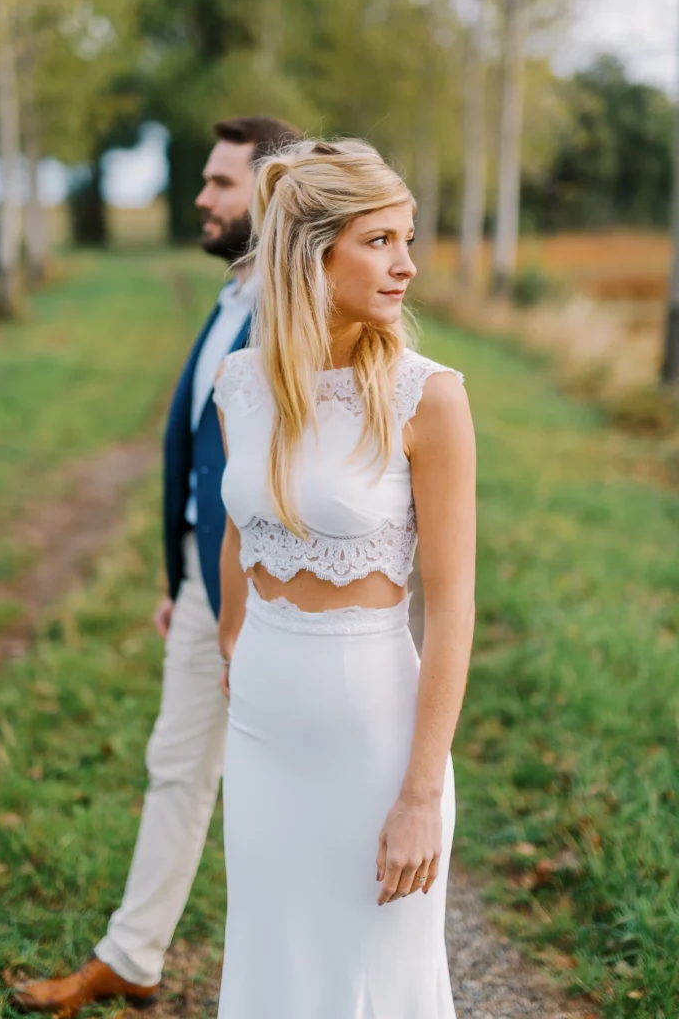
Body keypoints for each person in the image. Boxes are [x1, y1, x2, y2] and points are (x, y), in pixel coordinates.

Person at [13, 115, 301, 1016]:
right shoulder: (231, 297)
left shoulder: (297, 313)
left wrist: (244, 603)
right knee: (176, 764)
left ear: (273, 194)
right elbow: (200, 454)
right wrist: (183, 579)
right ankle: (133, 957)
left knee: (285, 787)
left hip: (266, 597)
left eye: (221, 183)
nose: (201, 196)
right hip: (203, 578)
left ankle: (302, 981)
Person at [211, 138, 476, 1017]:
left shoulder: (426, 396)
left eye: (408, 240)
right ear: (311, 253)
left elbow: (454, 610)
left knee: (372, 982)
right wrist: (232, 642)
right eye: (380, 241)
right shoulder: (238, 385)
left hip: (374, 740)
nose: (407, 266)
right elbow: (241, 526)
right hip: (261, 731)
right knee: (273, 971)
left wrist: (420, 794)